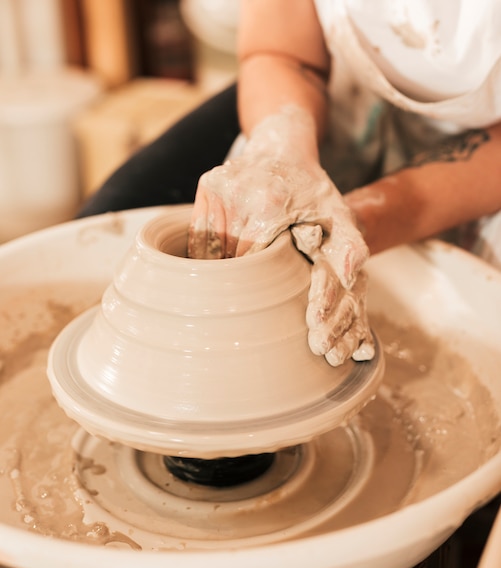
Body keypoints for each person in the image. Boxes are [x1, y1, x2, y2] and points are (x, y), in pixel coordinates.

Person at [80, 0, 501, 367]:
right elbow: (283, 52)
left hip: (487, 156)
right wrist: (280, 154)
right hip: (341, 90)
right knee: (112, 214)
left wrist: (363, 220)